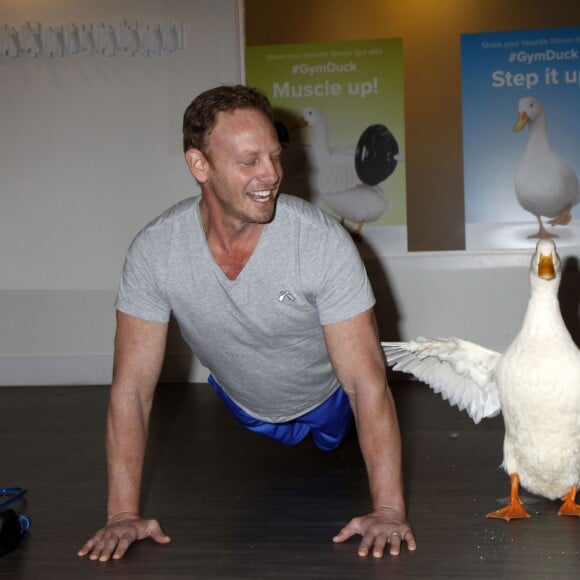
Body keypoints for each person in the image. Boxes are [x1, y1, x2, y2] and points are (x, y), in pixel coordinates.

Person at [77, 84, 416, 562]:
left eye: (274, 156)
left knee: (331, 437)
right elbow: (130, 390)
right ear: (200, 166)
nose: (272, 175)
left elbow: (365, 383)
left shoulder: (320, 241)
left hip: (328, 403)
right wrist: (120, 515)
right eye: (249, 161)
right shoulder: (156, 251)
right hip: (246, 407)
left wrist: (387, 508)